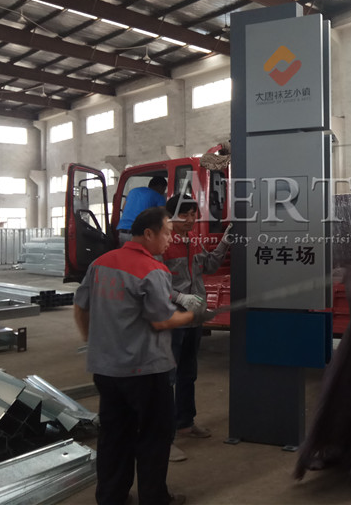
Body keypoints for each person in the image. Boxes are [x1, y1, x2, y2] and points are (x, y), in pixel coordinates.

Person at [74, 207, 212, 505]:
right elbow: (162, 321)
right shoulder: (153, 270)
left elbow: (80, 306)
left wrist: (91, 340)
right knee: (153, 436)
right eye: (167, 233)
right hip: (145, 371)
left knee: (114, 435)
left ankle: (112, 497)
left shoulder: (100, 263)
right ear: (148, 234)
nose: (170, 239)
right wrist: (192, 316)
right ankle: (155, 498)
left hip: (106, 370)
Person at [160, 194, 232, 462]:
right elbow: (154, 283)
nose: (191, 220)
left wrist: (225, 242)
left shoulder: (194, 241)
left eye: (193, 214)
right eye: (185, 215)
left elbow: (210, 266)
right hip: (172, 318)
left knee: (188, 372)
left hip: (194, 318)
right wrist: (179, 298)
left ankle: (185, 423)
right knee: (167, 377)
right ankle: (164, 438)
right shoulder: (163, 245)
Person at [117, 177, 168, 244]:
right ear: (161, 187)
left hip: (123, 233)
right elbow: (163, 216)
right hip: (139, 234)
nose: (163, 192)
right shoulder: (159, 197)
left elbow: (123, 209)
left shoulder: (133, 191)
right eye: (164, 189)